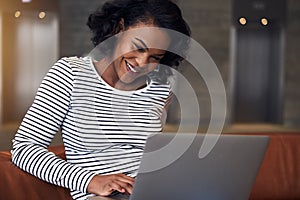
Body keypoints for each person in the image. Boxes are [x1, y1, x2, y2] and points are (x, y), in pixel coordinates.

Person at [11, 0, 191, 199]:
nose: (142, 63)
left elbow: (149, 154)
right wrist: (91, 180)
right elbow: (25, 148)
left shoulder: (159, 89)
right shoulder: (70, 74)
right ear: (119, 28)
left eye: (155, 58)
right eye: (138, 48)